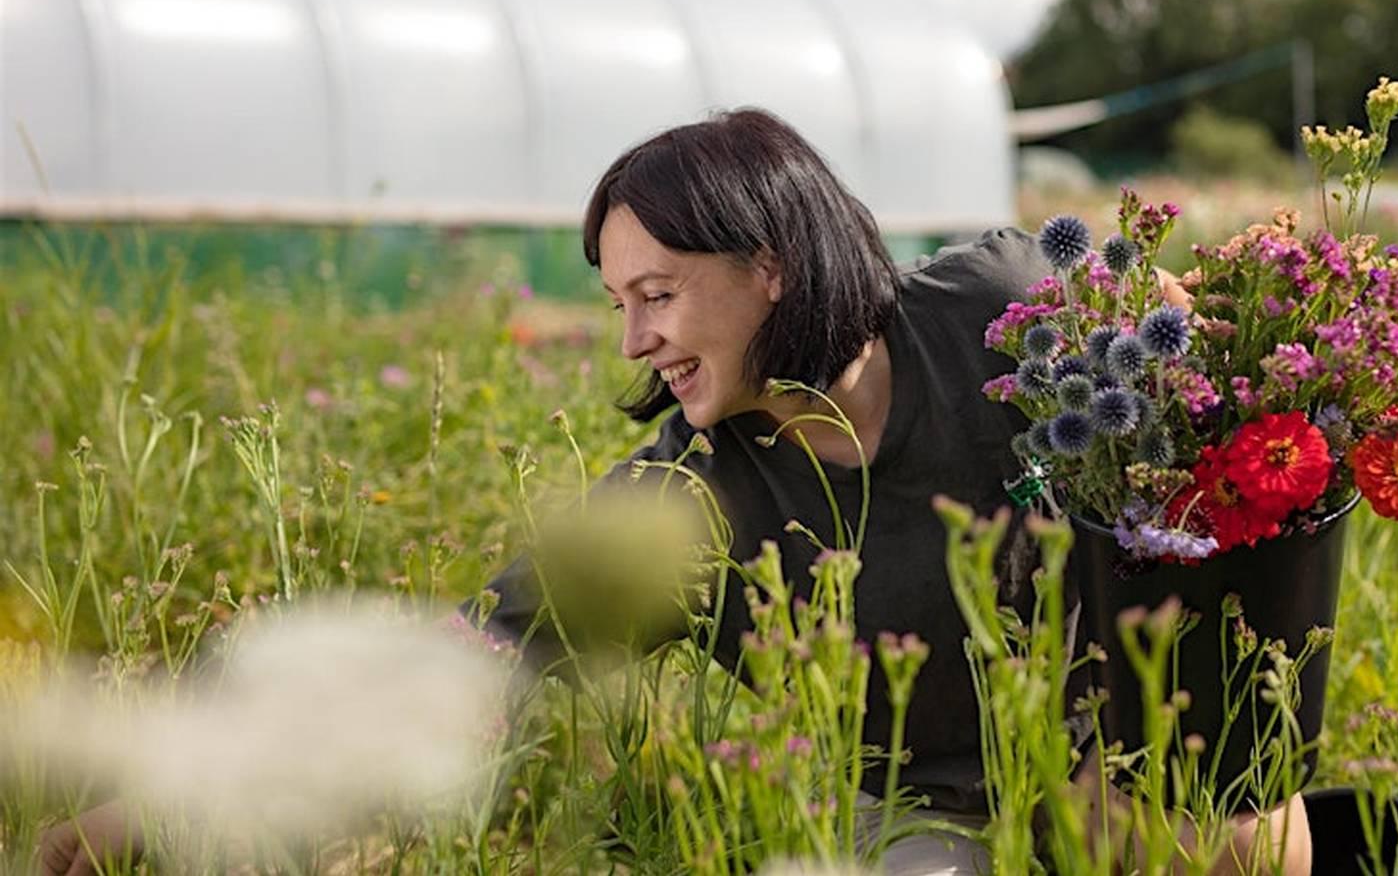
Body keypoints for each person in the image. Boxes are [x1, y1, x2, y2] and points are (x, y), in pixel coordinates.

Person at [38, 108, 1311, 875]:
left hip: (1154, 777)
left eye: (656, 295)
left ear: (768, 265)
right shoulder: (683, 506)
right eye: (616, 307)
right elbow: (473, 660)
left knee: (1230, 836)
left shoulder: (997, 310)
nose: (634, 340)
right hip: (935, 815)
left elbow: (1218, 381)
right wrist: (162, 798)